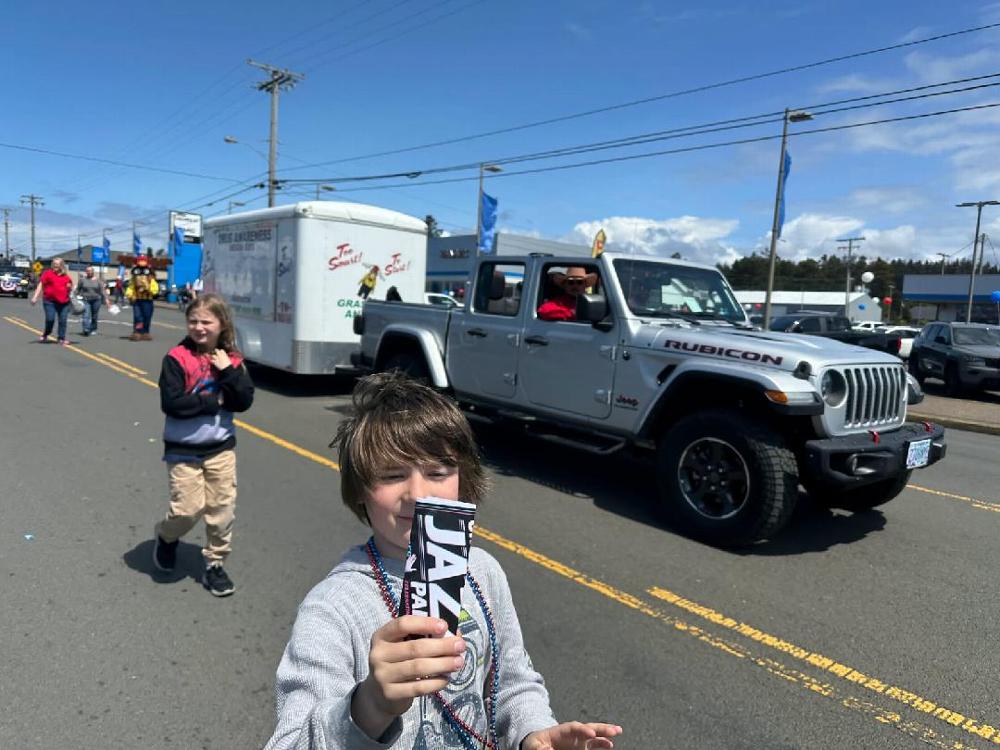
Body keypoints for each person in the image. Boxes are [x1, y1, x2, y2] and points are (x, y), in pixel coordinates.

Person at [263, 372, 623, 750]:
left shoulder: (483, 572)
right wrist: (368, 705)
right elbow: (287, 741)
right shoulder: (333, 608)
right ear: (360, 491)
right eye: (391, 475)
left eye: (437, 472)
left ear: (462, 480)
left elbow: (512, 679)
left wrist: (533, 732)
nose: (417, 494)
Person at [151, 293, 255, 597]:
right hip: (182, 450)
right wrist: (214, 401)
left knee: (222, 511)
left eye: (206, 321)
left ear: (221, 324)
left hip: (220, 448)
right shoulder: (176, 358)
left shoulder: (232, 360)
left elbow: (243, 401)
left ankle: (214, 564)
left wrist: (227, 372)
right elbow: (172, 403)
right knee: (187, 510)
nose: (199, 327)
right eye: (193, 321)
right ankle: (167, 537)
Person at [30, 258, 74, 345]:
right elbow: (40, 285)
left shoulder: (66, 276)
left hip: (64, 302)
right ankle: (46, 334)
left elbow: (71, 288)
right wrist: (35, 297)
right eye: (54, 263)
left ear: (61, 265)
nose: (55, 265)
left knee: (63, 321)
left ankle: (61, 338)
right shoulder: (48, 274)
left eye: (57, 264)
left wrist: (70, 287)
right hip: (50, 301)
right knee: (50, 319)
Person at [126, 256, 159, 341]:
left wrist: (149, 289)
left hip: (148, 301)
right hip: (137, 300)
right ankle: (137, 332)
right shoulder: (134, 278)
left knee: (147, 317)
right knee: (138, 317)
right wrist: (129, 295)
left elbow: (155, 289)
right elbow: (131, 287)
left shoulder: (151, 279)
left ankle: (145, 332)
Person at [76, 266, 111, 336]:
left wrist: (107, 300)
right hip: (86, 300)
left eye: (90, 271)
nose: (89, 272)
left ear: (93, 272)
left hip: (96, 300)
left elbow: (102, 291)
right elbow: (78, 289)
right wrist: (73, 296)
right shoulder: (82, 280)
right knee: (86, 315)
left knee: (94, 316)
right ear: (86, 272)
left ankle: (93, 329)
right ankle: (86, 329)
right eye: (87, 271)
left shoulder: (98, 280)